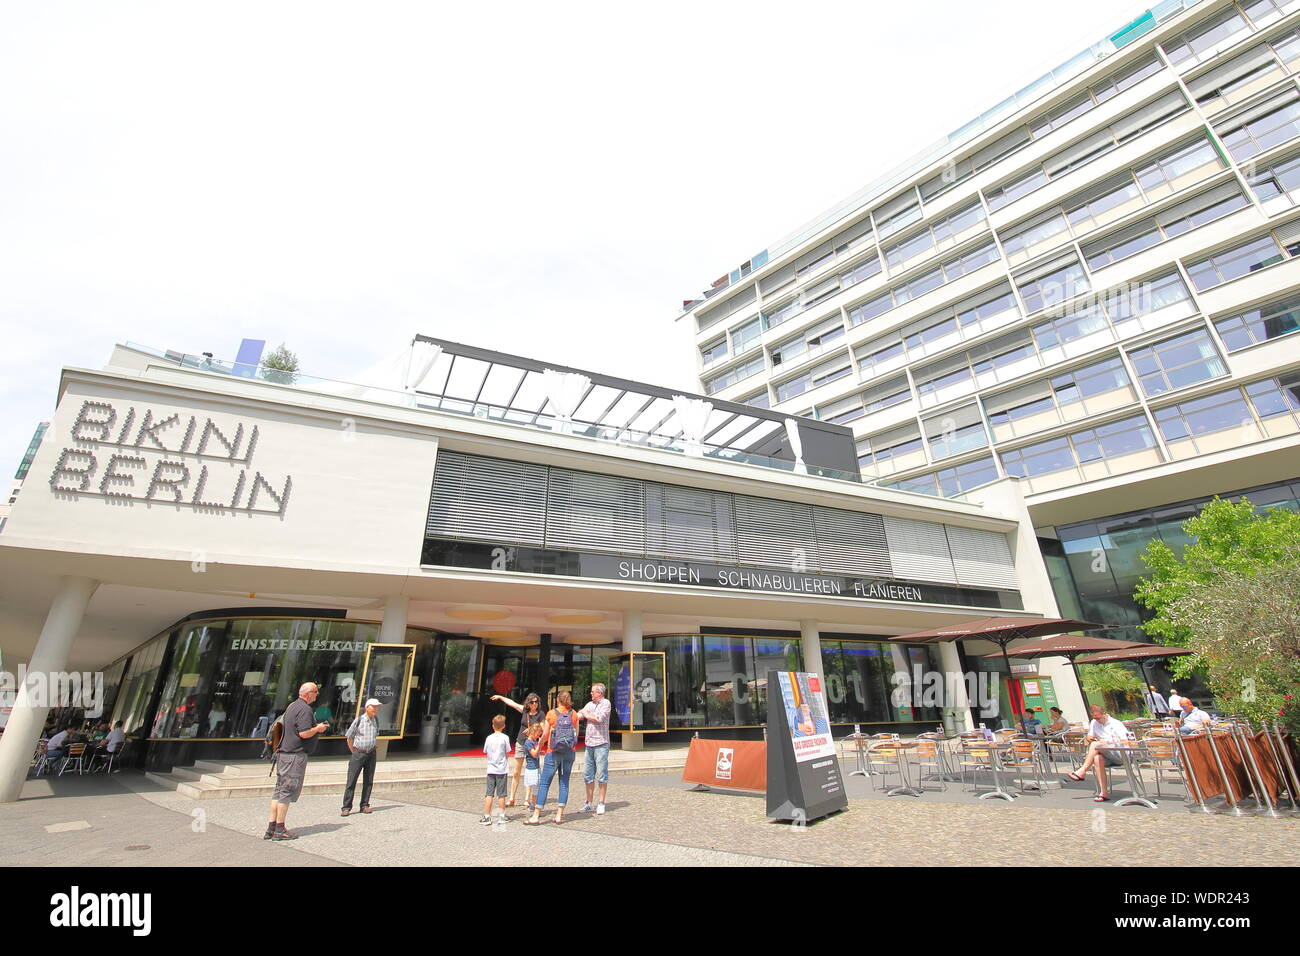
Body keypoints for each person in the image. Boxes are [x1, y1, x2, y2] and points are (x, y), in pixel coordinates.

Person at [265, 682, 329, 841]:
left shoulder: (292, 706)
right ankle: (280, 829)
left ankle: (271, 827)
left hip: (282, 754)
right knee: (287, 791)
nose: (317, 695)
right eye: (315, 692)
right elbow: (304, 733)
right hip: (294, 755)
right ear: (308, 693)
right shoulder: (305, 709)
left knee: (279, 791)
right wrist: (318, 728)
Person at [525, 690, 581, 826]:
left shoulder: (551, 714)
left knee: (545, 783)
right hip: (569, 752)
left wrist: (539, 746)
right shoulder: (574, 714)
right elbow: (576, 734)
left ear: (557, 700)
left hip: (553, 752)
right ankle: (559, 815)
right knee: (564, 783)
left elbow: (544, 735)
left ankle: (536, 815)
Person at [1064, 705, 1129, 801]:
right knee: (1097, 759)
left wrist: (1107, 742)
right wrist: (1089, 738)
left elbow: (1125, 742)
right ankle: (1103, 792)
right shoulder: (1094, 723)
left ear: (1104, 714)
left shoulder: (1116, 724)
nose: (1097, 720)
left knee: (1095, 745)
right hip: (1106, 755)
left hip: (1120, 753)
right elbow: (1089, 736)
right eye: (1095, 718)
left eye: (1099, 718)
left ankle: (1082, 770)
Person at [491, 691, 544, 808]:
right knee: (516, 771)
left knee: (530, 771)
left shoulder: (540, 714)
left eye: (536, 702)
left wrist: (531, 729)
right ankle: (512, 798)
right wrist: (500, 696)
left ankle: (527, 798)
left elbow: (543, 727)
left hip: (532, 743)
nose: (534, 704)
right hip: (521, 742)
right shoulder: (525, 711)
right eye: (532, 702)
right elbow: (512, 703)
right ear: (528, 703)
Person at [341, 698, 381, 817]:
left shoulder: (376, 721)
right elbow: (349, 737)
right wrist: (354, 750)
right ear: (367, 707)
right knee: (351, 780)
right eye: (374, 706)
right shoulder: (359, 720)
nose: (376, 709)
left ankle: (364, 805)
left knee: (368, 780)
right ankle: (346, 807)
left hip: (371, 753)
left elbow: (375, 735)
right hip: (359, 753)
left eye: (377, 707)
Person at [578, 682, 612, 815]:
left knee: (602, 774)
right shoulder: (589, 704)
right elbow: (580, 715)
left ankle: (601, 802)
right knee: (588, 774)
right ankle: (588, 802)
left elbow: (599, 718)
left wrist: (585, 714)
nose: (591, 694)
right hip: (589, 744)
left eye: (593, 692)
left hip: (601, 744)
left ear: (600, 693)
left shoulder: (606, 703)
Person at [480, 714, 512, 826]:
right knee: (501, 794)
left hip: (491, 769)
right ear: (503, 726)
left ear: (493, 726)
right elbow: (507, 752)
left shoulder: (489, 738)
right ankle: (502, 816)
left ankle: (487, 816)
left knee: (489, 793)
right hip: (502, 769)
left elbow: (485, 751)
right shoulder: (505, 738)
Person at [522, 721, 544, 811]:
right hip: (532, 768)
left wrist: (539, 749)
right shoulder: (528, 742)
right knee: (535, 787)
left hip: (535, 767)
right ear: (533, 732)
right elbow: (534, 754)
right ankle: (533, 805)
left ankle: (533, 803)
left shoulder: (533, 741)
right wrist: (540, 744)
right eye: (538, 734)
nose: (539, 736)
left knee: (536, 787)